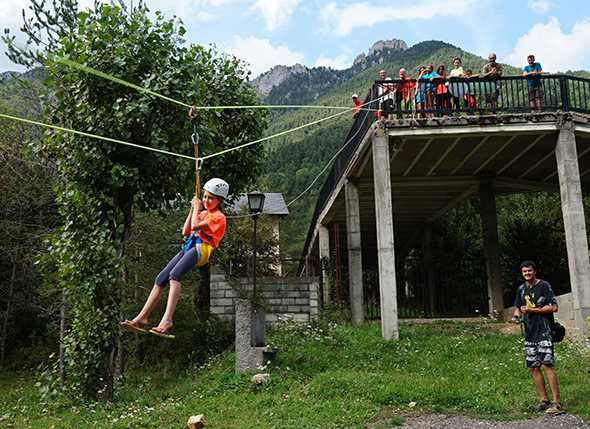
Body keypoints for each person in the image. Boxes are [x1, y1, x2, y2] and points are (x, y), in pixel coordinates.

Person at [121, 178, 229, 338]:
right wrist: (193, 210)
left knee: (175, 276)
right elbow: (186, 231)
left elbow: (195, 227)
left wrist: (197, 208)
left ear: (219, 200)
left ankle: (167, 320)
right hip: (189, 247)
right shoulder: (203, 213)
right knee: (161, 279)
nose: (206, 200)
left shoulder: (218, 217)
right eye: (205, 197)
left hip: (202, 249)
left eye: (210, 198)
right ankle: (141, 317)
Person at [512, 260, 563, 415]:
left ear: (535, 271)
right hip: (530, 333)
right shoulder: (521, 289)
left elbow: (554, 307)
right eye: (524, 272)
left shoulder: (544, 286)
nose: (527, 273)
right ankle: (543, 400)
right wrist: (516, 316)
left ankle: (557, 403)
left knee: (547, 365)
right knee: (533, 367)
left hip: (544, 331)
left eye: (529, 271)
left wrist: (533, 310)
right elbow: (517, 308)